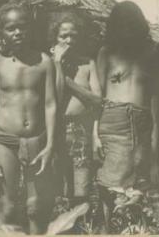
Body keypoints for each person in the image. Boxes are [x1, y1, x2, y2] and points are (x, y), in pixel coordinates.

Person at [0, 2, 57, 234]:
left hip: (37, 139)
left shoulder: (44, 62)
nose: (17, 33)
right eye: (11, 28)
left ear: (30, 29)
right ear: (1, 32)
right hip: (6, 140)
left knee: (36, 205)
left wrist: (50, 145)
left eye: (22, 27)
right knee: (8, 203)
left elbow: (50, 104)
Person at [95, 1, 159, 216]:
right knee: (111, 180)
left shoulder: (152, 53)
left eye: (131, 23)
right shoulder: (106, 53)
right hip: (113, 117)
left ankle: (132, 228)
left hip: (142, 118)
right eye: (122, 24)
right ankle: (106, 229)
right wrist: (93, 134)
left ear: (140, 25)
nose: (127, 28)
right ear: (114, 26)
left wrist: (155, 136)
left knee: (138, 179)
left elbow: (156, 96)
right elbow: (99, 95)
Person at [49, 12, 102, 203]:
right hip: (54, 131)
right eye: (64, 36)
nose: (69, 40)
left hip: (81, 131)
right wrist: (57, 63)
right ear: (55, 37)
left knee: (82, 189)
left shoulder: (88, 63)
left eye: (74, 36)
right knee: (58, 190)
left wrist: (69, 81)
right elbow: (51, 97)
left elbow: (97, 101)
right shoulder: (47, 63)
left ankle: (82, 228)